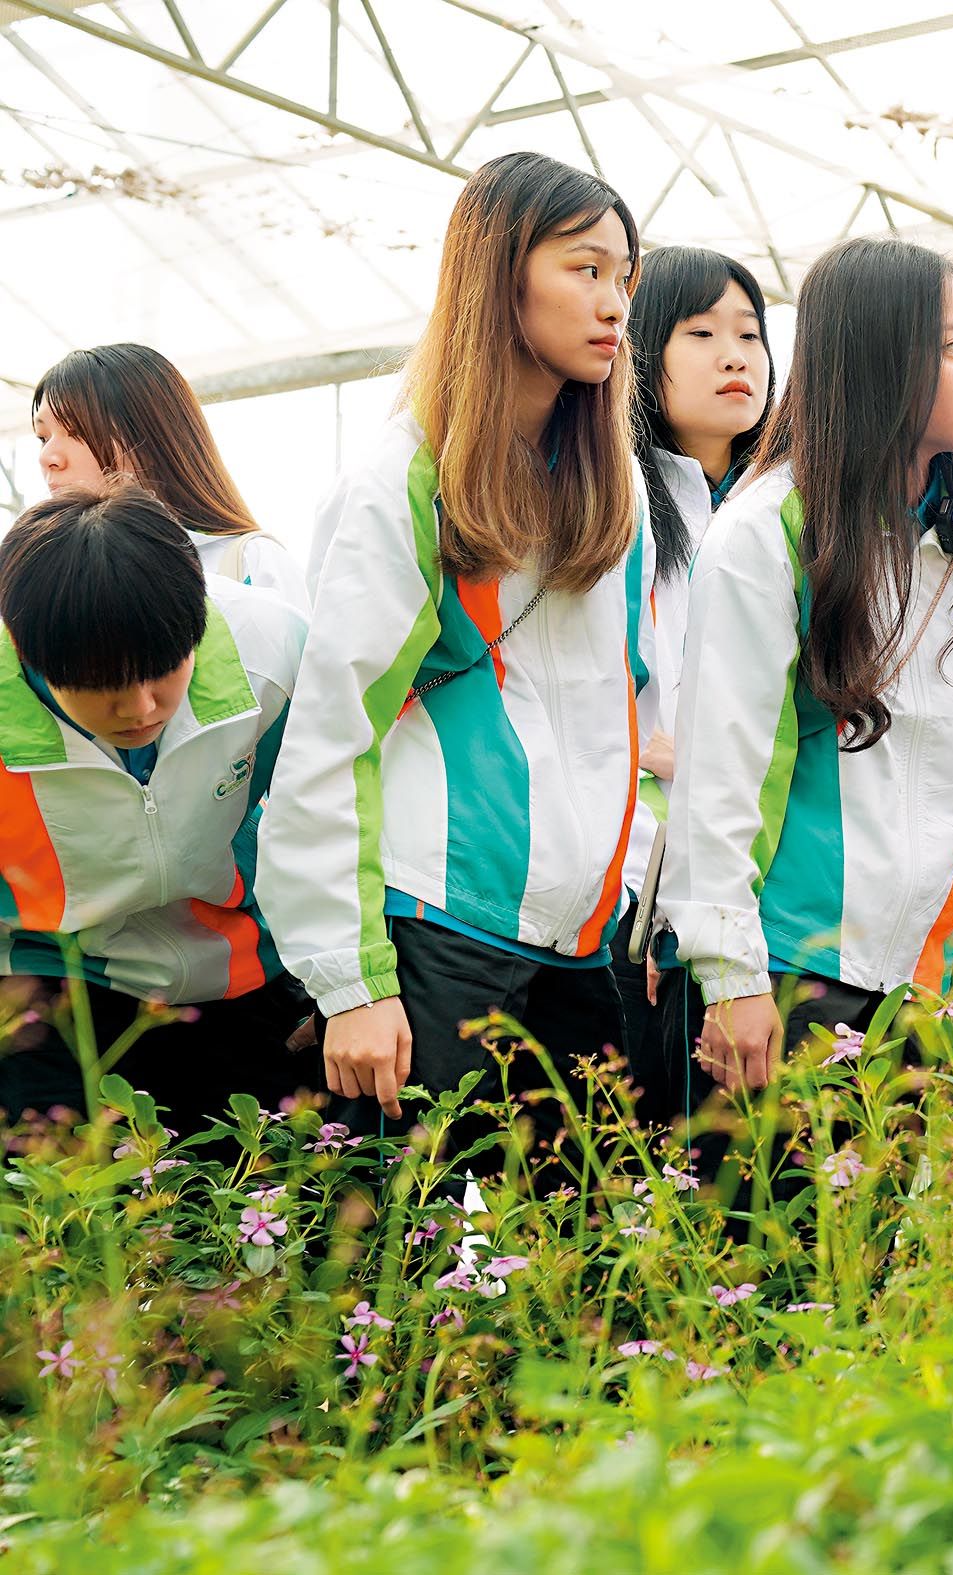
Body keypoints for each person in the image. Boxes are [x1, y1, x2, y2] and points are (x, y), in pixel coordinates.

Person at [258, 151, 648, 1129]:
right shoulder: (402, 486)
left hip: (581, 939)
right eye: (584, 268)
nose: (613, 304)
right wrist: (351, 983)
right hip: (436, 924)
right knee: (410, 1259)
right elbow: (327, 741)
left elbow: (626, 720)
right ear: (498, 272)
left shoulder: (613, 491)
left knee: (577, 1260)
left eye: (623, 277)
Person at [662, 236, 953, 1093]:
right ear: (876, 357)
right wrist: (732, 977)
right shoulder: (765, 532)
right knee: (764, 1228)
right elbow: (722, 774)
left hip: (921, 985)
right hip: (781, 972)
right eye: (952, 346)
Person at [0, 482, 313, 1123]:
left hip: (244, 971)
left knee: (266, 1197)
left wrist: (343, 984)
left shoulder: (274, 650)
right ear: (27, 653)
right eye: (101, 686)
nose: (140, 707)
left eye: (165, 669)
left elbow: (347, 819)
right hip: (49, 980)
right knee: (63, 1208)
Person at [617, 245, 771, 1120]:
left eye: (749, 333)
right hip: (639, 886)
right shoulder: (617, 503)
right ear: (643, 356)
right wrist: (648, 749)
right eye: (702, 332)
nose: (734, 355)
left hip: (750, 888)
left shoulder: (782, 509)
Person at [30, 344, 308, 610]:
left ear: (150, 437)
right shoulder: (39, 573)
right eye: (43, 438)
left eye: (77, 430)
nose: (48, 457)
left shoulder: (252, 565)